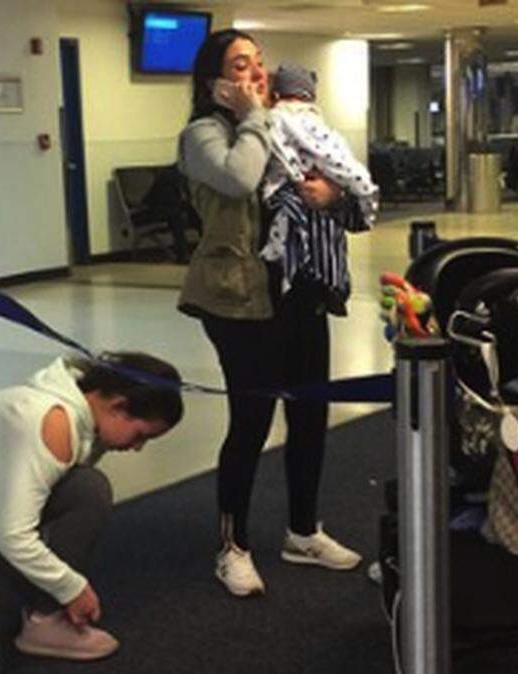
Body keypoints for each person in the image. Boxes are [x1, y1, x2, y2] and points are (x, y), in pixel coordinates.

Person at [176, 28, 362, 598]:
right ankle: (233, 546)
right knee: (251, 423)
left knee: (309, 417)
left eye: (258, 64)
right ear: (214, 81)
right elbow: (240, 175)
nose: (256, 74)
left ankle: (303, 531)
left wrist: (334, 197)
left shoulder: (293, 125)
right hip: (238, 300)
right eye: (239, 66)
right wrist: (257, 114)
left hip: (302, 294)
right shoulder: (202, 134)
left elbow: (348, 200)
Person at [0, 352, 183, 661]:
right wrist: (71, 588)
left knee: (70, 511)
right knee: (88, 492)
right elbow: (11, 535)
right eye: (140, 436)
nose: (137, 448)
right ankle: (44, 622)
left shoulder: (85, 417)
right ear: (118, 405)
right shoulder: (54, 422)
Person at [260, 61, 379, 316]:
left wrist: (334, 196)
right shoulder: (256, 135)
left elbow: (355, 220)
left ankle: (327, 287)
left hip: (305, 283)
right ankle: (329, 285)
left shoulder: (273, 127)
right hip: (273, 285)